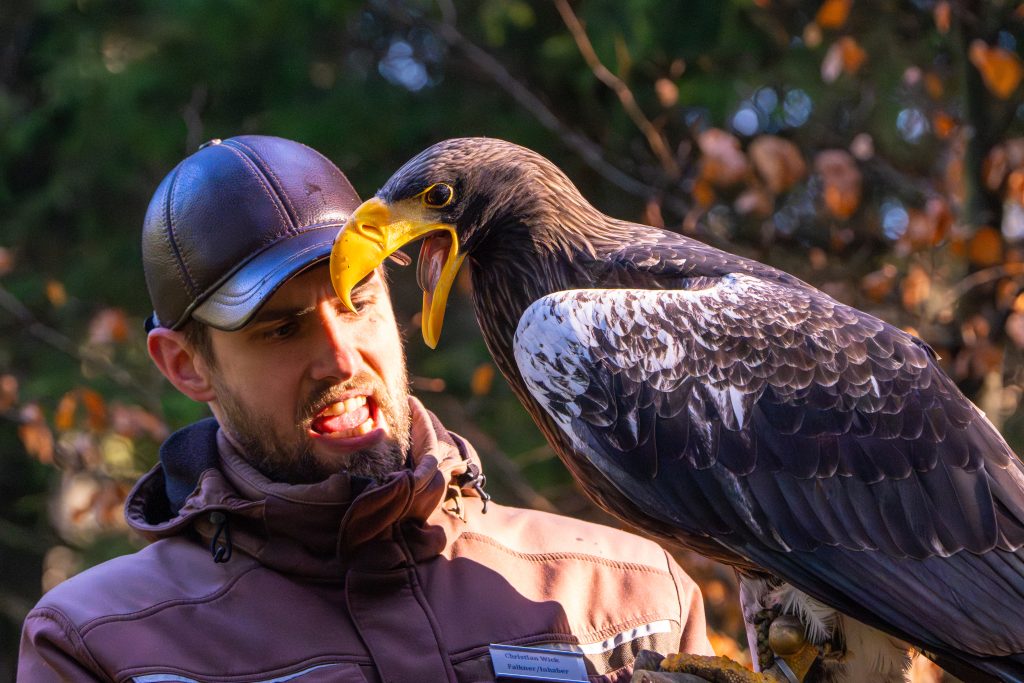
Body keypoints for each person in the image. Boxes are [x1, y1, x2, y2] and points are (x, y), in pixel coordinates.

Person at [17, 135, 714, 682]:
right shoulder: (99, 644)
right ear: (184, 364)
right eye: (281, 330)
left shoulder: (633, 594)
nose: (342, 358)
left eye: (358, 301)